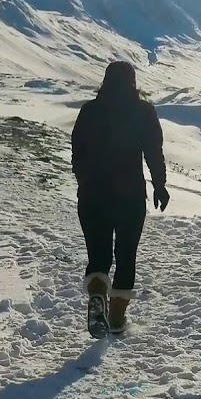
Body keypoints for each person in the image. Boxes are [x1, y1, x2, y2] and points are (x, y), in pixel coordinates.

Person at [70, 60, 169, 334]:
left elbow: (77, 151)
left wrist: (85, 182)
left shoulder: (89, 111)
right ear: (132, 82)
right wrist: (159, 186)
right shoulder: (143, 112)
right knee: (126, 257)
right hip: (130, 196)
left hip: (92, 195)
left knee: (98, 257)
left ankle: (97, 297)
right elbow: (153, 152)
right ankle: (115, 320)